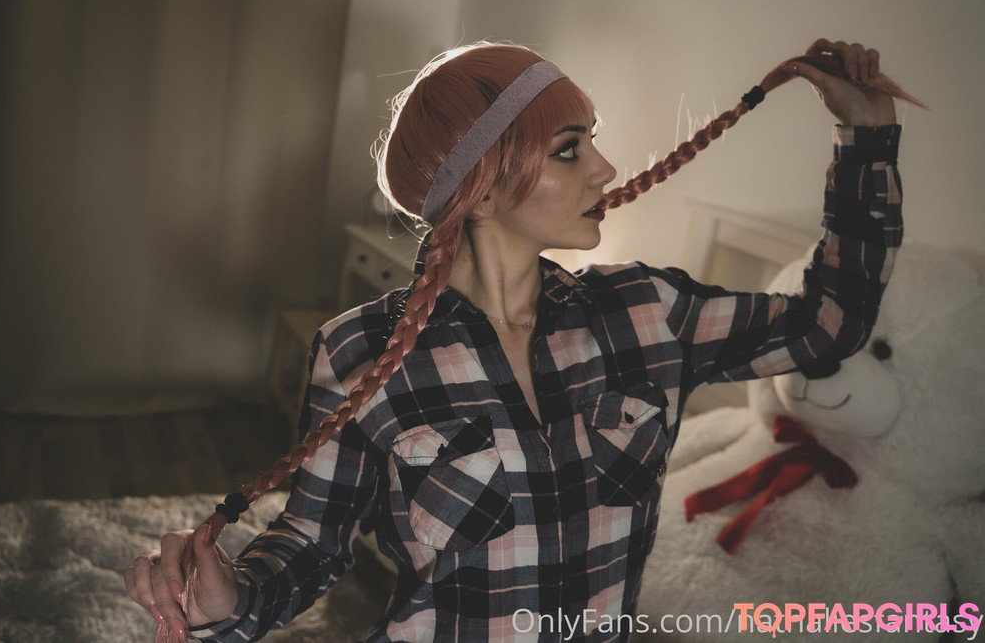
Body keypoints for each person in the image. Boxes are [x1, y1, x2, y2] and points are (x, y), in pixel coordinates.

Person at [124, 38, 904, 642]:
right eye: (570, 148)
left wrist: (867, 135)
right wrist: (232, 597)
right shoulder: (359, 351)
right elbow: (312, 543)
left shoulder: (648, 313)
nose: (604, 168)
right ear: (483, 190)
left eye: (592, 141)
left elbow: (829, 323)